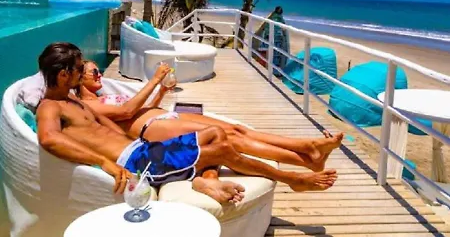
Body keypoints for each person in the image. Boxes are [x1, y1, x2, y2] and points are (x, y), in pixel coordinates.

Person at [37, 42, 338, 204]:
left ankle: (205, 179)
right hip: (137, 163)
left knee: (215, 133)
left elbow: (111, 126)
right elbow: (49, 139)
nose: (82, 73)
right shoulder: (50, 107)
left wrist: (147, 143)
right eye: (78, 69)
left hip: (144, 150)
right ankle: (291, 178)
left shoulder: (74, 101)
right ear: (63, 74)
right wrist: (105, 162)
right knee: (222, 148)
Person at [77, 60, 343, 172]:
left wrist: (162, 91)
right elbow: (126, 112)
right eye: (94, 72)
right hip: (153, 129)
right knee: (231, 140)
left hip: (163, 116)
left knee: (237, 129)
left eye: (99, 71)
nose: (99, 75)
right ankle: (306, 161)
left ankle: (308, 147)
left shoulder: (102, 97)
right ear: (79, 78)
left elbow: (139, 109)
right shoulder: (88, 106)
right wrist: (155, 79)